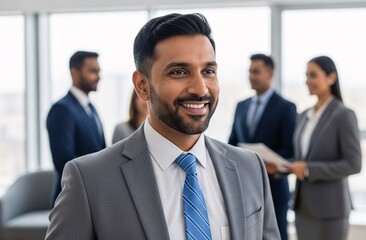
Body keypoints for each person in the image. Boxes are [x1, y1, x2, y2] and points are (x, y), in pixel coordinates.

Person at [45, 13, 280, 240]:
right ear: (142, 86)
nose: (200, 89)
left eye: (208, 71)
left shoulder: (249, 167)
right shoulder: (89, 180)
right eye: (179, 72)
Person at [286, 56, 362, 240]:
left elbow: (353, 164)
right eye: (306, 76)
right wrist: (282, 166)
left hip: (331, 209)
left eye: (313, 75)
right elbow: (301, 157)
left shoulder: (344, 115)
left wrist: (309, 169)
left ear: (331, 78)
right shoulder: (304, 115)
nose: (307, 81)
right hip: (303, 207)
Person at [228, 53, 297, 240]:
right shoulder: (241, 106)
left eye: (256, 72)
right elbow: (232, 143)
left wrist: (267, 164)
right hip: (245, 188)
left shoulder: (286, 107)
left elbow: (290, 150)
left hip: (274, 188)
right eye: (250, 71)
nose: (251, 76)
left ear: (270, 73)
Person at [46, 51, 106, 208]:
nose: (98, 76)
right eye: (93, 71)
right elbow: (63, 160)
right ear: (74, 73)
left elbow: (100, 150)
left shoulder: (91, 108)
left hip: (93, 196)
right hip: (71, 199)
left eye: (99, 71)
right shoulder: (61, 109)